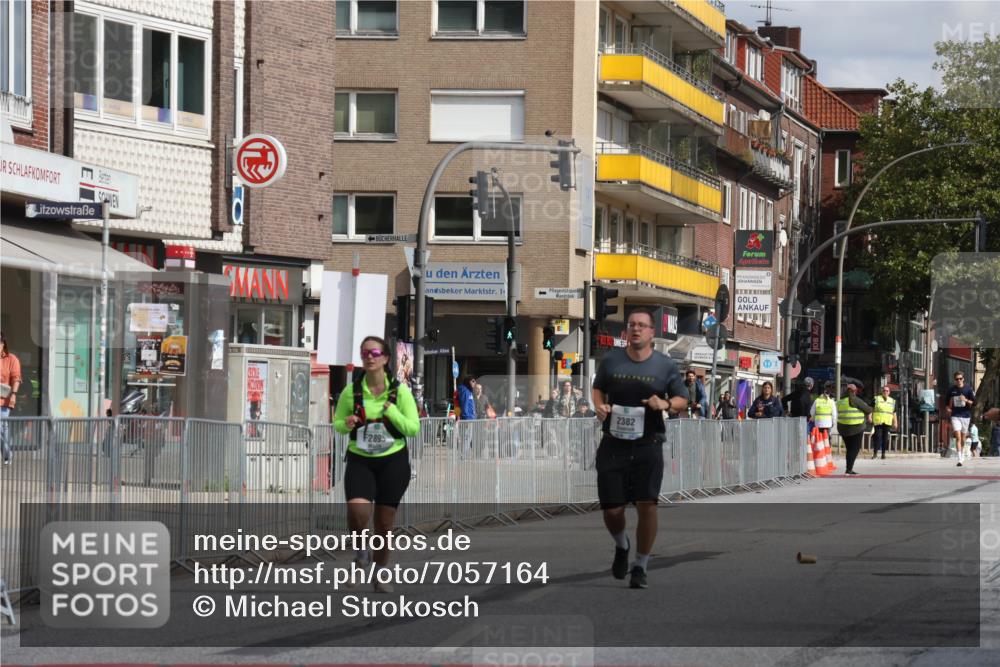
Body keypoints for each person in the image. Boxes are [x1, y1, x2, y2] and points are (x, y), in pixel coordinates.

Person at [591, 308, 688, 589]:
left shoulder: (665, 365)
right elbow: (599, 388)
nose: (636, 329)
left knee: (647, 506)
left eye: (642, 325)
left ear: (651, 332)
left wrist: (665, 404)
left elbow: (682, 398)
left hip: (648, 444)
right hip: (614, 444)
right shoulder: (611, 360)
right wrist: (600, 405)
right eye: (632, 325)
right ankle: (622, 546)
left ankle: (641, 565)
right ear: (626, 331)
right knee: (612, 510)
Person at [333, 336, 420, 593]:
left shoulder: (400, 392)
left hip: (393, 460)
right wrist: (346, 422)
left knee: (384, 523)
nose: (369, 357)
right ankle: (361, 554)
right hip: (361, 458)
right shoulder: (352, 392)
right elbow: (337, 423)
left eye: (375, 352)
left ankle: (381, 573)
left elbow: (413, 428)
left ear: (385, 358)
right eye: (364, 353)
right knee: (358, 513)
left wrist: (391, 411)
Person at [837, 382, 873, 475]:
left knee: (849, 448)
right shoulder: (856, 400)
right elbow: (868, 409)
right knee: (854, 449)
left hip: (843, 428)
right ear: (855, 391)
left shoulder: (840, 401)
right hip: (856, 428)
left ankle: (848, 469)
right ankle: (849, 469)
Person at [945, 372, 975, 467]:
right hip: (955, 415)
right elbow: (946, 402)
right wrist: (948, 408)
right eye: (957, 379)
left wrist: (965, 400)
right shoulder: (951, 390)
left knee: (963, 438)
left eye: (960, 378)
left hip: (966, 416)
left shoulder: (968, 389)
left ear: (963, 379)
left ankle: (962, 455)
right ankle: (959, 459)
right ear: (954, 380)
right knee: (957, 436)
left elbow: (974, 402)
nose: (959, 380)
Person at [1, 332, 22, 465]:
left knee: (2, 427)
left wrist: (13, 394)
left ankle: (7, 454)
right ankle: (7, 453)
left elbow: (16, 378)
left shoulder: (11, 359)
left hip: (4, 399)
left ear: (3, 344)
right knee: (3, 428)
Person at [871, 384, 897, 460]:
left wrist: (895, 422)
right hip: (878, 421)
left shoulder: (892, 401)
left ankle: (883, 454)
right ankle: (875, 453)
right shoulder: (876, 399)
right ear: (882, 391)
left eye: (887, 391)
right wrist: (869, 416)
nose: (885, 392)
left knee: (885, 438)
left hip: (887, 421)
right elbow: (871, 408)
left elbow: (894, 413)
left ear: (889, 392)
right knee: (877, 437)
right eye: (884, 390)